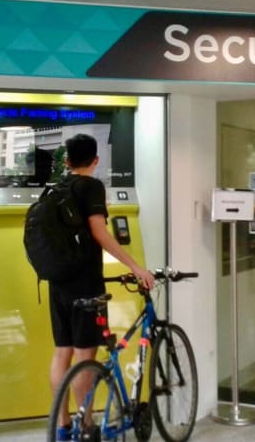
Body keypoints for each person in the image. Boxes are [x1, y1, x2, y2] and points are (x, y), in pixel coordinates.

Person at [48, 133, 155, 439]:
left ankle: (62, 426)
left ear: (68, 161)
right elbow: (100, 232)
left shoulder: (55, 189)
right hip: (84, 283)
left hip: (57, 283)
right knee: (85, 357)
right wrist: (135, 266)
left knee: (62, 353)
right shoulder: (92, 186)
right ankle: (85, 426)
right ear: (95, 160)